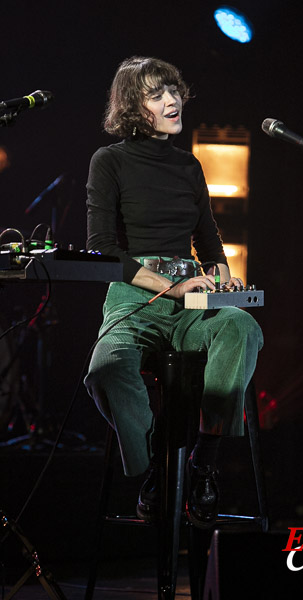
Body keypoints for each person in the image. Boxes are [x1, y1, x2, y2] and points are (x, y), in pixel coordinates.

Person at [84, 56, 263, 528]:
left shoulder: (189, 165)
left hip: (192, 297)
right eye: (157, 94)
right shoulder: (110, 161)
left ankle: (202, 459)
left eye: (174, 91)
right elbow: (101, 248)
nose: (172, 100)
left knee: (241, 326)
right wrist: (171, 286)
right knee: (106, 368)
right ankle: (154, 471)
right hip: (135, 296)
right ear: (130, 106)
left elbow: (208, 240)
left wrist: (223, 277)